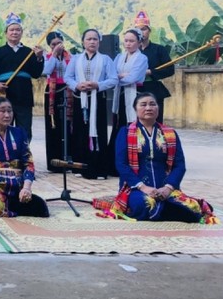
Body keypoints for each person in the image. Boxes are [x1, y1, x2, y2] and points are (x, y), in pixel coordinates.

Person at [103, 92, 216, 223]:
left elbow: (180, 165)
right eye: (143, 105)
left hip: (165, 188)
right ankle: (169, 209)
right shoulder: (126, 132)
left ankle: (168, 207)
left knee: (193, 207)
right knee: (144, 205)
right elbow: (121, 164)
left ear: (158, 108)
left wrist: (168, 188)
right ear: (135, 109)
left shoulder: (170, 133)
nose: (148, 108)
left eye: (152, 104)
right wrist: (143, 187)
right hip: (136, 188)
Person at [64, 29, 118, 179]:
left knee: (98, 130)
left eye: (95, 39)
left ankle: (99, 169)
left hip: (98, 98)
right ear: (83, 42)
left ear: (99, 42)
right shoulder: (75, 59)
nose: (92, 42)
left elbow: (113, 79)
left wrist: (97, 84)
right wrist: (76, 85)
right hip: (80, 98)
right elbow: (68, 77)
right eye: (89, 39)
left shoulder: (106, 59)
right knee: (80, 131)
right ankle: (79, 166)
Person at [0, 12, 44, 142]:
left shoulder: (29, 52)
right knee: (3, 128)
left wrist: (39, 58)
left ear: (21, 33)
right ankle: (3, 158)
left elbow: (36, 74)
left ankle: (23, 158)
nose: (14, 32)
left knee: (24, 130)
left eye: (18, 30)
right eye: (11, 30)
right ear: (6, 33)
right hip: (4, 96)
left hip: (24, 97)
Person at [107, 28, 148, 176]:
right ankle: (114, 165)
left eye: (132, 41)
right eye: (126, 41)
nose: (128, 44)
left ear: (139, 42)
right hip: (120, 95)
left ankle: (134, 165)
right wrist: (121, 75)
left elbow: (134, 78)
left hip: (133, 95)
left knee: (132, 127)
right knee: (118, 127)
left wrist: (119, 77)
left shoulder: (142, 58)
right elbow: (111, 74)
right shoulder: (119, 57)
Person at [134, 10, 174, 123]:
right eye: (138, 30)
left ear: (149, 31)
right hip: (134, 90)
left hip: (153, 89)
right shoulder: (131, 51)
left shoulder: (159, 49)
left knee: (155, 121)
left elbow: (170, 69)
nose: (141, 32)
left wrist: (150, 72)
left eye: (144, 29)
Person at [42, 31, 72, 173]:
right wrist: (54, 55)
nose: (56, 46)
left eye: (58, 43)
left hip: (67, 89)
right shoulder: (46, 57)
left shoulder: (71, 57)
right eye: (53, 44)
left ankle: (69, 157)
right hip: (52, 90)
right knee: (53, 125)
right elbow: (46, 71)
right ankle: (54, 161)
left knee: (68, 124)